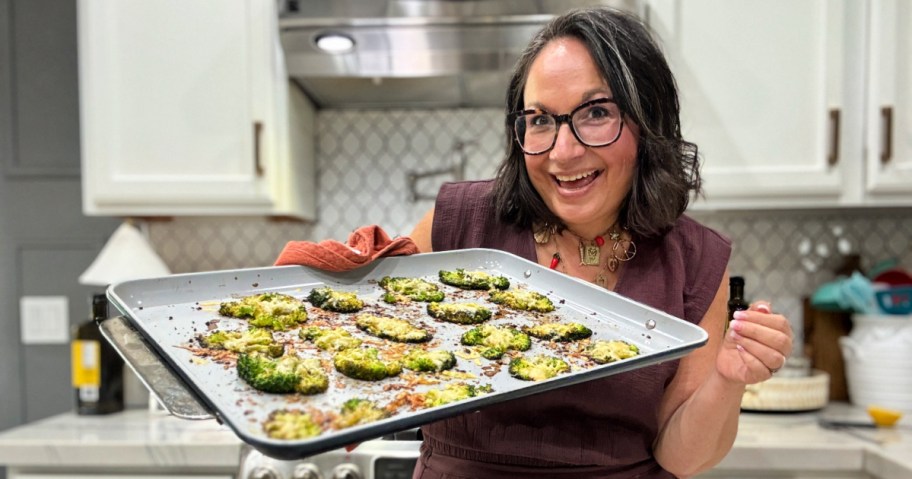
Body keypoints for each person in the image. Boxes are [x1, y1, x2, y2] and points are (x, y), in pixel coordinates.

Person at [406, 6, 794, 479]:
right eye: (541, 119)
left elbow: (683, 457)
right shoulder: (457, 225)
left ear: (646, 121)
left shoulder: (693, 260)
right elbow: (362, 340)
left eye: (596, 113)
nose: (563, 152)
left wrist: (729, 379)